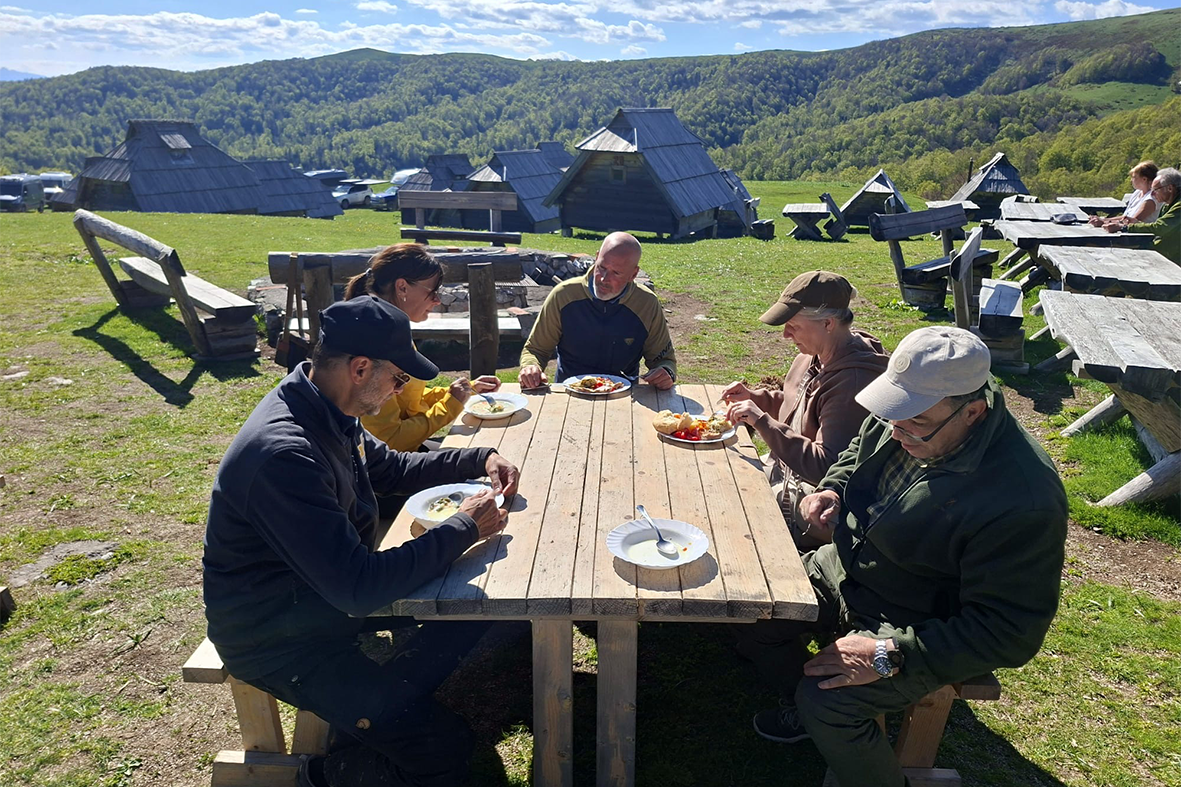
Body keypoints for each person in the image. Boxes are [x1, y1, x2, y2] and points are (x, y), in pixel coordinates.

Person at [203, 296, 521, 787]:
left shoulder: (325, 404)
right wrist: (465, 527)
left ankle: (374, 713)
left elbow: (390, 468)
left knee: (483, 610)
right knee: (444, 747)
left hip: (317, 597)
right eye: (398, 379)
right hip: (276, 637)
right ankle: (324, 775)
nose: (400, 390)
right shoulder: (285, 455)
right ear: (359, 368)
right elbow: (359, 588)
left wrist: (477, 459)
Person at [737, 326, 1067, 787]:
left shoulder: (1022, 497)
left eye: (913, 423)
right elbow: (858, 448)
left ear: (973, 411)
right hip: (849, 562)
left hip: (915, 615)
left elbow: (1011, 631)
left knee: (827, 703)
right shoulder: (913, 408)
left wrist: (889, 652)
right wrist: (833, 486)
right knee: (757, 612)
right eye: (892, 414)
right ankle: (805, 711)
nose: (897, 430)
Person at [720, 271, 888, 549]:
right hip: (782, 473)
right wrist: (757, 398)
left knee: (727, 502)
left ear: (828, 323)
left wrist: (762, 421)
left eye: (793, 326)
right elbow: (796, 406)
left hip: (807, 500)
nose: (785, 334)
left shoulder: (853, 382)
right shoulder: (814, 354)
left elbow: (827, 466)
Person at [344, 243, 501, 452]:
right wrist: (449, 405)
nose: (437, 300)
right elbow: (390, 441)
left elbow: (407, 399)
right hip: (382, 470)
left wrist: (463, 391)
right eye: (432, 291)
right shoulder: (376, 344)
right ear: (402, 288)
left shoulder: (391, 328)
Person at [518, 232, 676, 389]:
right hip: (570, 392)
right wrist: (531, 367)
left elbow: (663, 360)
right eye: (601, 267)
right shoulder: (564, 295)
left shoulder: (646, 303)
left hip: (623, 394)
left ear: (633, 274)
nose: (603, 279)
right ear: (597, 256)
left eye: (616, 273)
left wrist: (666, 372)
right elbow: (535, 349)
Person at [1110, 166, 1181, 264]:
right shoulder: (1168, 204)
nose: (1152, 194)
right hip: (1163, 253)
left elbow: (1160, 228)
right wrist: (1137, 223)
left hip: (1172, 261)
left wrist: (1125, 228)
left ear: (1169, 188)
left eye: (1155, 190)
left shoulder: (1179, 206)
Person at [1090, 160, 1160, 230]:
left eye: (1134, 177)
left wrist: (1104, 222)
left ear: (1144, 179)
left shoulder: (1151, 199)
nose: (1131, 180)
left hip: (1140, 237)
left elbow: (1132, 221)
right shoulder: (1137, 193)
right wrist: (1104, 220)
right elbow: (1125, 217)